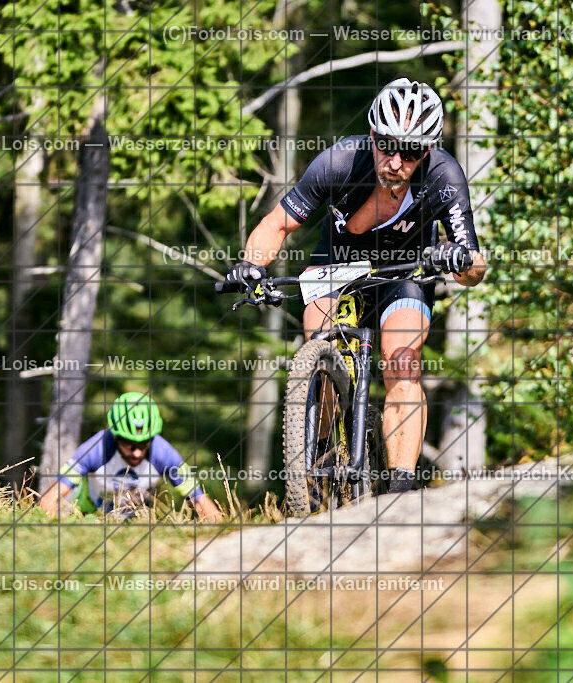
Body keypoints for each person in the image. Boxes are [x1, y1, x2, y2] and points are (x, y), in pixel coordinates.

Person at [224, 78, 486, 493]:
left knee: (402, 361)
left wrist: (457, 258)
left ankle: (399, 487)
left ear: (429, 149)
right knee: (319, 350)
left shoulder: (443, 175)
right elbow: (277, 223)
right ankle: (316, 456)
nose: (397, 160)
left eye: (412, 150)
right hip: (337, 266)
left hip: (405, 272)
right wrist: (250, 266)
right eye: (387, 144)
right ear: (371, 137)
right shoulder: (340, 162)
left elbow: (474, 264)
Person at [39, 392, 223, 521]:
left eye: (144, 444)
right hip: (90, 518)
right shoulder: (94, 449)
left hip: (136, 522)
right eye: (129, 444)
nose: (137, 452)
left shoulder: (165, 453)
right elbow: (50, 499)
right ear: (116, 436)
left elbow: (200, 500)